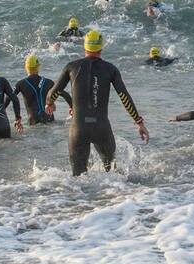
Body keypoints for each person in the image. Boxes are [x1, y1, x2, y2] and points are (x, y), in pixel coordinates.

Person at [46, 30, 149, 176]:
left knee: (78, 178)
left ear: (84, 46)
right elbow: (124, 97)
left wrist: (50, 103)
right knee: (112, 174)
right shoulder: (110, 69)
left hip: (78, 129)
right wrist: (139, 122)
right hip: (101, 128)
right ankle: (118, 197)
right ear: (101, 47)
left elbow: (53, 93)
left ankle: (77, 199)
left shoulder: (72, 67)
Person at [14, 54, 72, 125]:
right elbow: (66, 95)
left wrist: (16, 117)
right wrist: (72, 108)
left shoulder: (21, 84)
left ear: (26, 67)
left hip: (33, 123)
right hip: (50, 122)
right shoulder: (49, 82)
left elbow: (9, 97)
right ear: (38, 67)